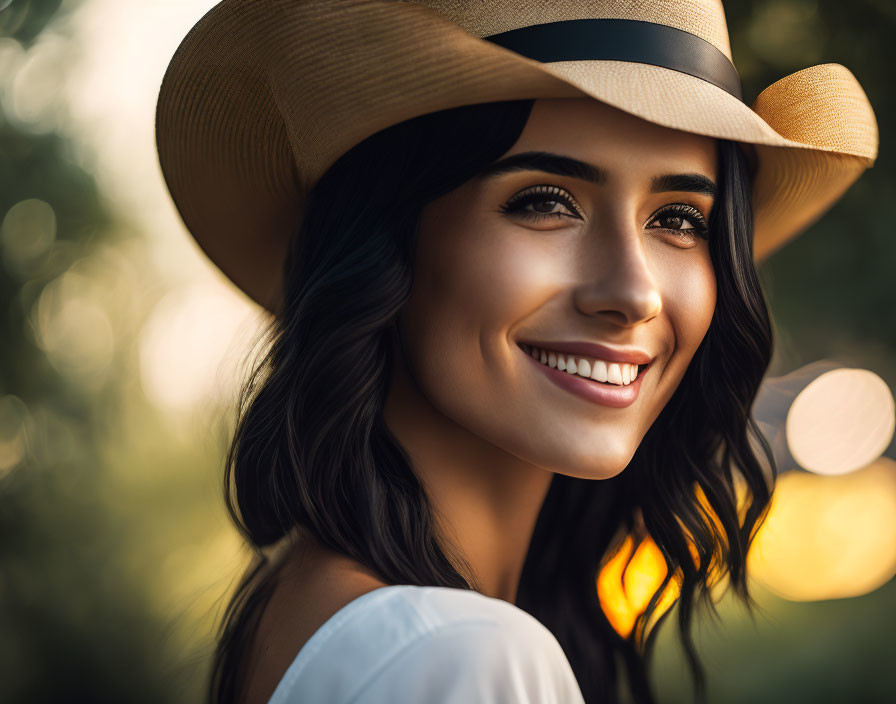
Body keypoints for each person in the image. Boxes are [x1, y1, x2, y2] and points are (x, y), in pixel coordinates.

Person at [154, 1, 878, 703]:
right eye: (545, 201)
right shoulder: (460, 657)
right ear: (387, 242)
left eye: (679, 218)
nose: (635, 292)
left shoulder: (309, 608)